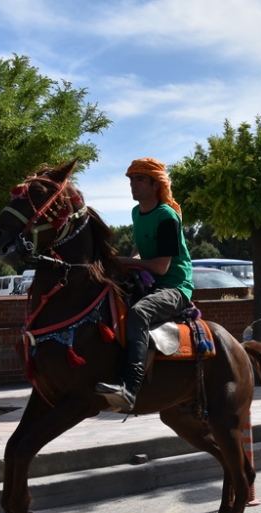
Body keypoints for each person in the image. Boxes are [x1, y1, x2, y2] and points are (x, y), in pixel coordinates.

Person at [94, 158, 194, 409]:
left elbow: (161, 266)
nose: (133, 185)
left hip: (174, 287)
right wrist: (125, 262)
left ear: (155, 184)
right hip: (151, 284)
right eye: (131, 180)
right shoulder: (136, 212)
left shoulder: (167, 216)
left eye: (139, 180)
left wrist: (127, 261)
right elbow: (142, 251)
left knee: (139, 313)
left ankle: (129, 387)